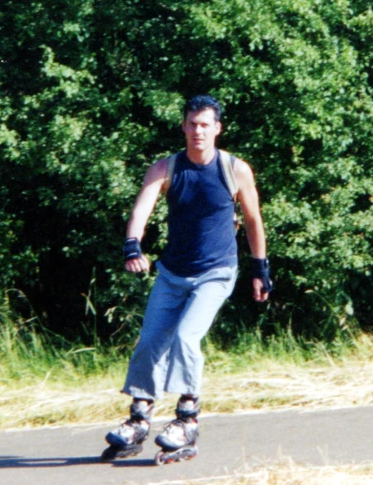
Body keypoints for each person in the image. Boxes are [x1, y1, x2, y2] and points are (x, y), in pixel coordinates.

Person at [101, 94, 273, 464]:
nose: (198, 131)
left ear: (217, 129)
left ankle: (187, 418)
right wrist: (133, 245)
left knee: (185, 336)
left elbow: (254, 220)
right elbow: (141, 209)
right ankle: (139, 418)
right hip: (173, 273)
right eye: (192, 124)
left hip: (216, 272)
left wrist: (261, 269)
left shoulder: (234, 169)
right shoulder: (166, 168)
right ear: (183, 126)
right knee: (149, 341)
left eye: (205, 125)